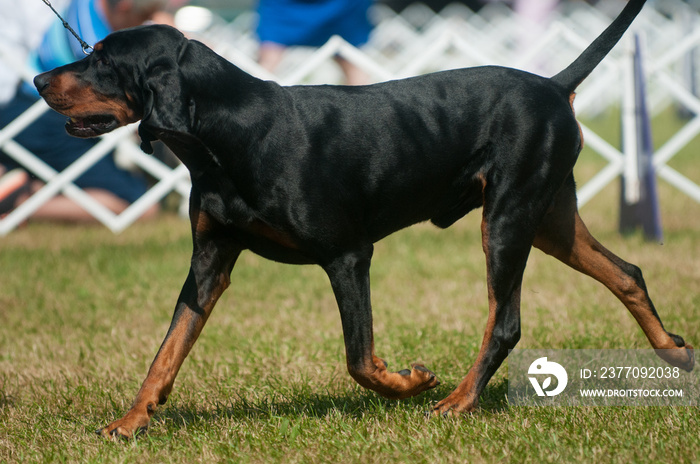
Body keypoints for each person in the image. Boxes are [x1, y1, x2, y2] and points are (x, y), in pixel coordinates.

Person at [0, 0, 170, 222]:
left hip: (25, 111)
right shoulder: (91, 43)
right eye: (144, 17)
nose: (144, 23)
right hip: (41, 120)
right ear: (125, 6)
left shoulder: (81, 8)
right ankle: (21, 201)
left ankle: (26, 182)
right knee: (139, 204)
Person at [255, 0, 374, 85]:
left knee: (353, 65)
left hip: (341, 8)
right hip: (284, 7)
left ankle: (364, 115)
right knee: (267, 62)